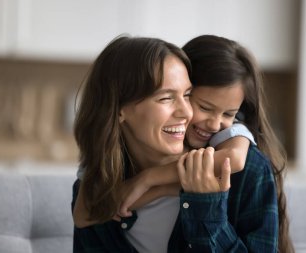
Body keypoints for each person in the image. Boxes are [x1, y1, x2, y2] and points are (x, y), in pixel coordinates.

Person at [112, 35, 294, 252]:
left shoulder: (249, 166)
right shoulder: (123, 156)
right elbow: (87, 216)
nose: (215, 124)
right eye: (205, 108)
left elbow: (234, 159)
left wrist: (151, 181)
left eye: (229, 113)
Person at [72, 35, 248, 253]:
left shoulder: (244, 171)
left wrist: (202, 206)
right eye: (166, 98)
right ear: (118, 109)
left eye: (188, 95)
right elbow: (82, 216)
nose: (187, 112)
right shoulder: (100, 182)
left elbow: (237, 156)